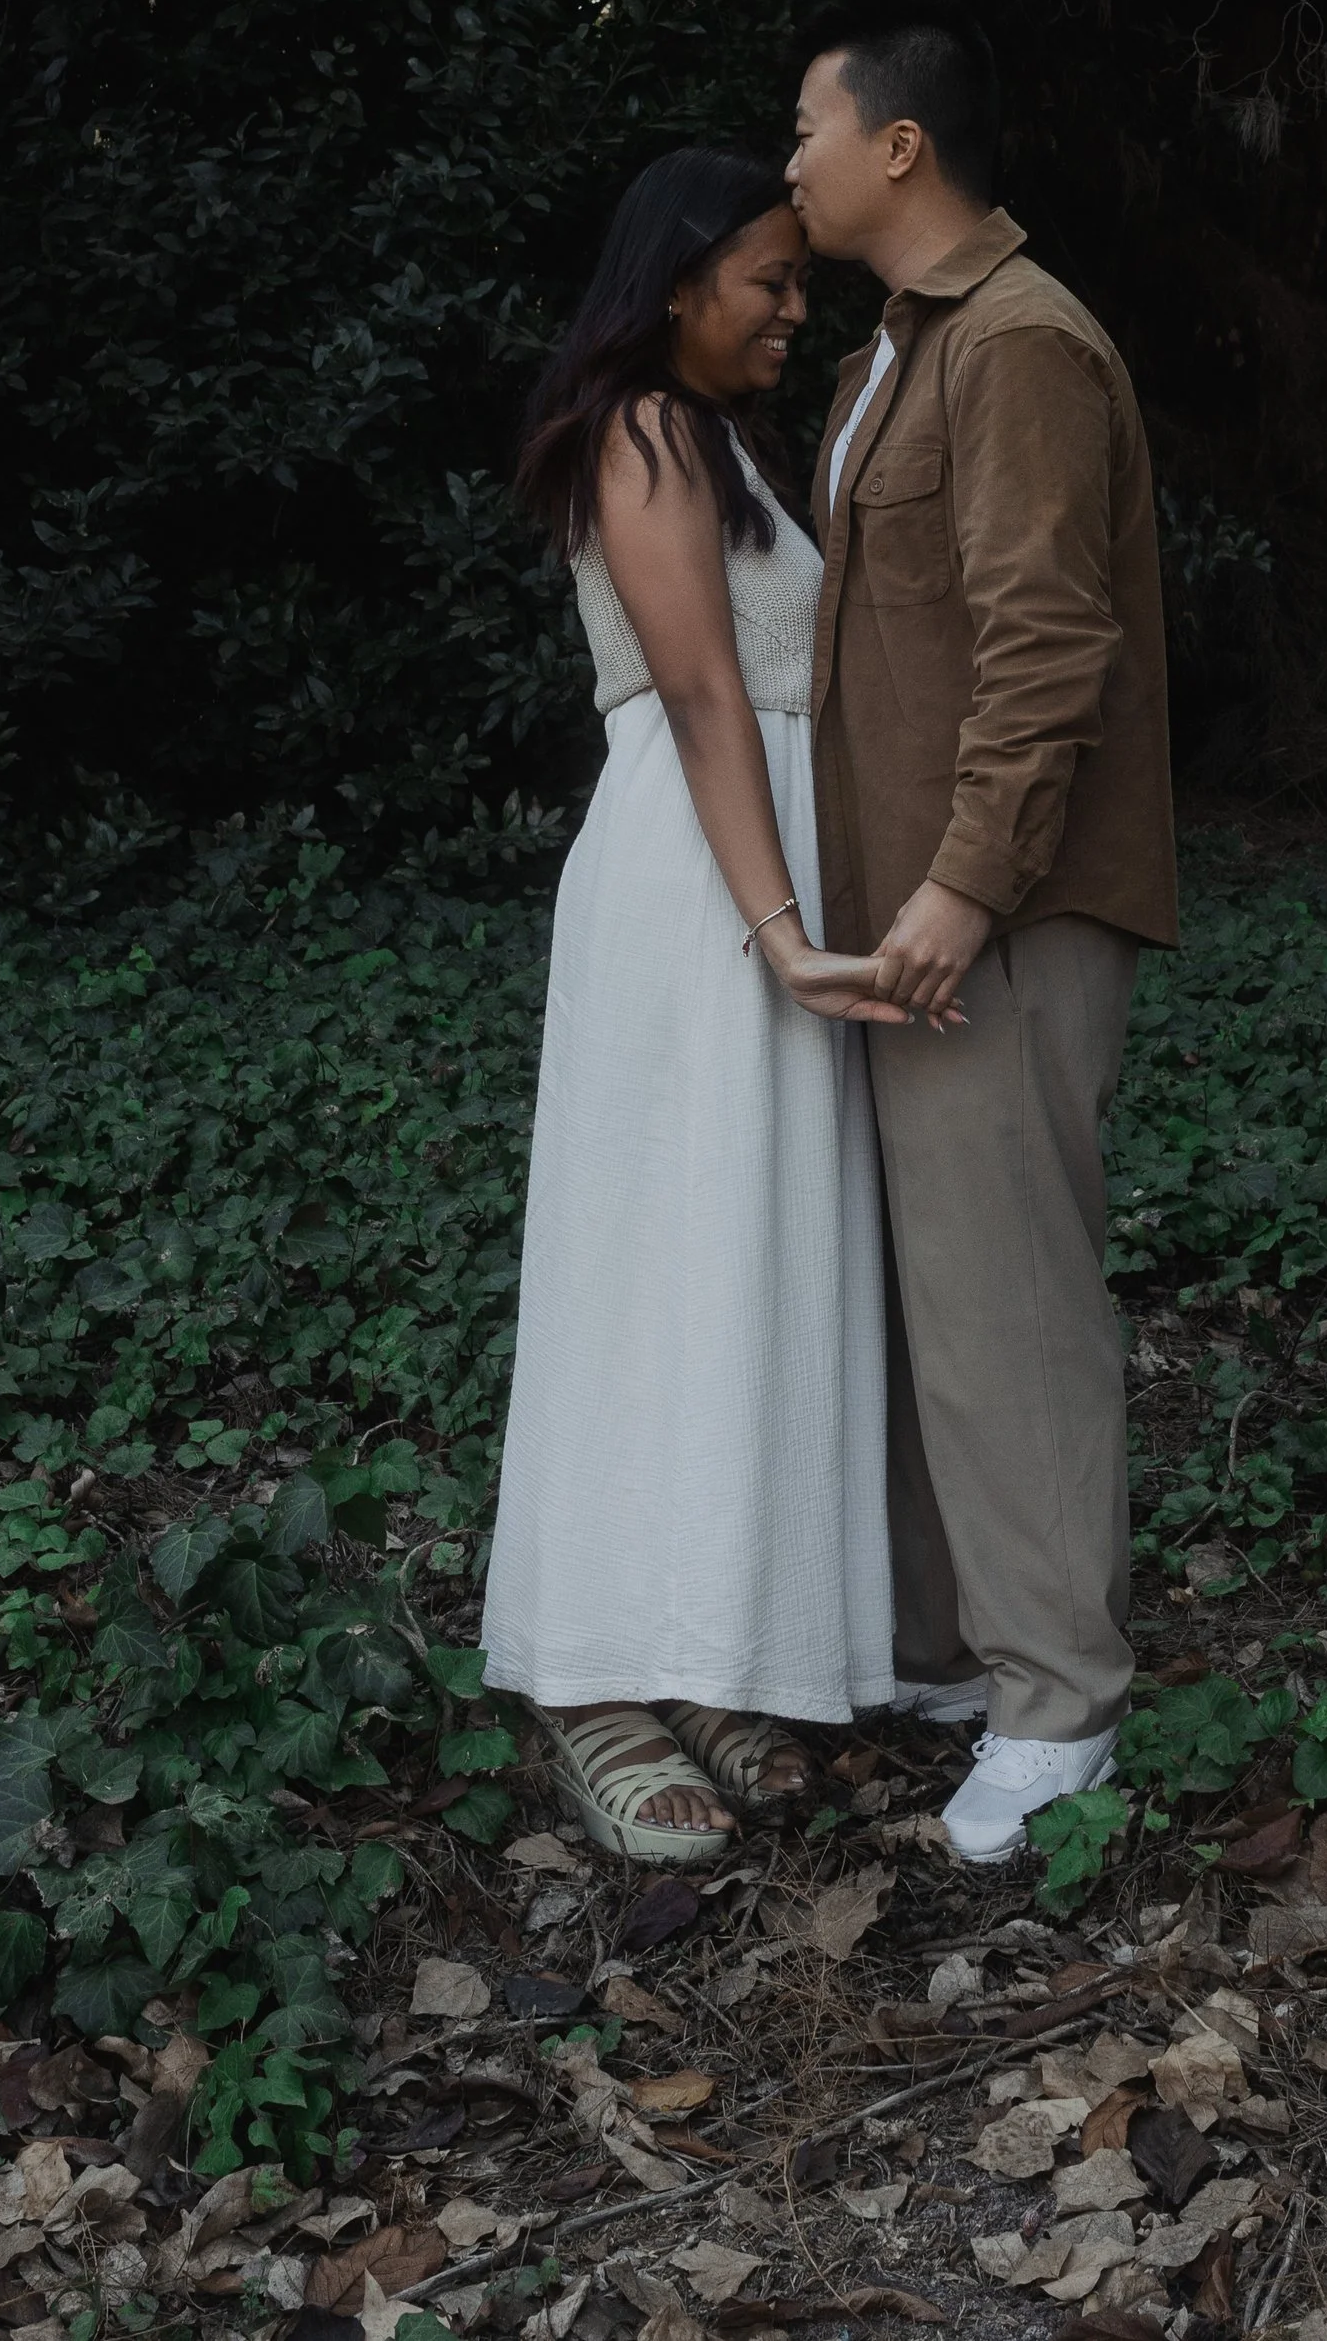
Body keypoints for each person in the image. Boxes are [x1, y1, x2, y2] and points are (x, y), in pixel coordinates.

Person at [480, 147, 916, 1864]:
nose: (797, 309)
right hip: (698, 892)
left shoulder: (721, 443)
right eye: (771, 281)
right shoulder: (647, 430)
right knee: (649, 1255)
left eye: (803, 281)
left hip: (753, 878)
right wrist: (780, 928)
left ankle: (709, 1645)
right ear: (676, 284)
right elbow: (701, 693)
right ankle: (591, 1676)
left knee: (741, 1256)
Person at [787, 0, 1179, 1866]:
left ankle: (1058, 1707)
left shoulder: (1019, 343)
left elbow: (1046, 642)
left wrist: (960, 882)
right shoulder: (895, 349)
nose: (788, 164)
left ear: (900, 145)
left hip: (996, 911)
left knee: (1010, 1300)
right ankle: (956, 1654)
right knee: (937, 1295)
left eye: (806, 128)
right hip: (911, 914)